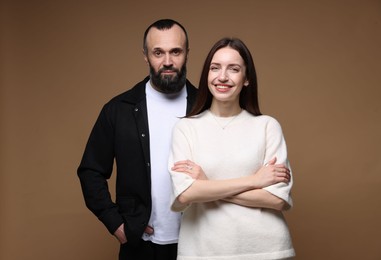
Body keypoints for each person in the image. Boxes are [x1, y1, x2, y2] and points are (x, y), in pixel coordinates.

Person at [77, 19, 197, 260]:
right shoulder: (118, 109)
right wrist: (116, 224)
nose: (167, 62)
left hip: (201, 242)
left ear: (186, 53)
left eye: (176, 51)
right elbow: (91, 171)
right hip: (141, 245)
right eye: (158, 52)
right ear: (145, 56)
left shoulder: (207, 106)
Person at [168, 37, 295, 259]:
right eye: (215, 68)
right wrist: (254, 181)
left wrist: (206, 186)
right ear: (207, 75)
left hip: (265, 250)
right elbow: (186, 193)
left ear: (246, 79)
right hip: (202, 251)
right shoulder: (186, 128)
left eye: (233, 69)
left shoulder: (267, 126)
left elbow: (277, 200)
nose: (222, 77)